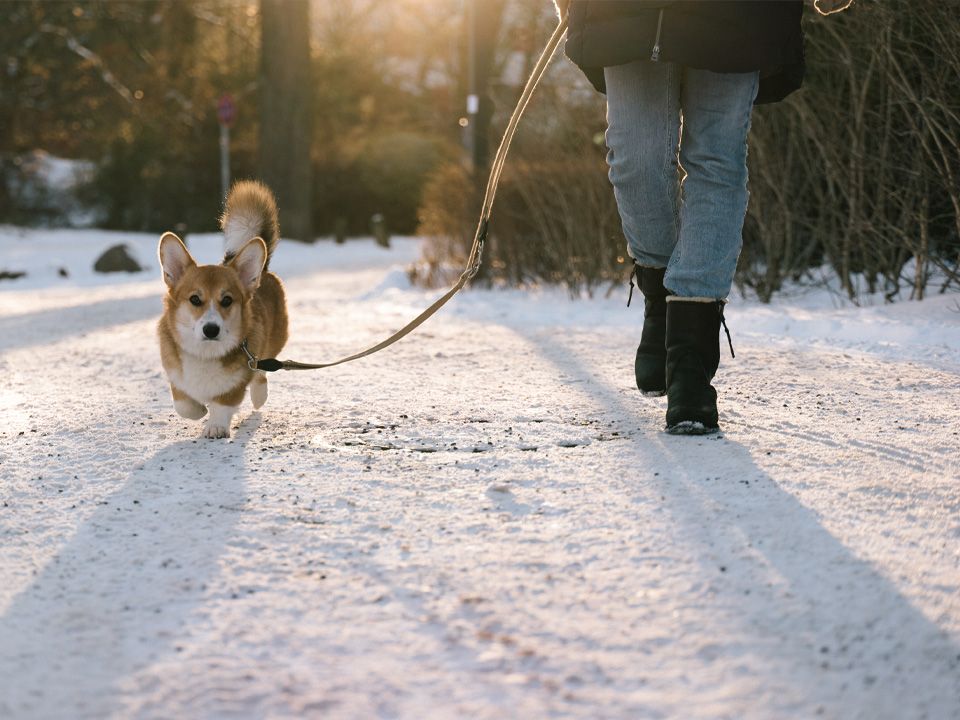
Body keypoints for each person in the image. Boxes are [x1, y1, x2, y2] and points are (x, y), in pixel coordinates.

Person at [557, 0, 850, 434]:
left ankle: (690, 362)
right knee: (635, 160)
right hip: (625, 11)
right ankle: (660, 293)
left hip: (738, 14)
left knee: (718, 161)